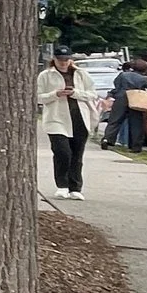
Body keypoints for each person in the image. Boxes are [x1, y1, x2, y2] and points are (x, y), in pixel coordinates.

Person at [37, 48, 97, 197]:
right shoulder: (46, 75)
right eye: (60, 60)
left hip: (79, 117)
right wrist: (55, 94)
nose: (63, 63)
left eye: (66, 60)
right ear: (54, 60)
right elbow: (38, 96)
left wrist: (75, 93)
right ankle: (62, 185)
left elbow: (92, 94)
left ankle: (75, 188)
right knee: (62, 152)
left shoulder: (81, 74)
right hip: (56, 118)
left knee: (77, 155)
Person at [107, 55, 147, 150]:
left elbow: (116, 84)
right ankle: (136, 146)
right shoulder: (143, 79)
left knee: (114, 120)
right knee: (136, 123)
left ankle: (108, 140)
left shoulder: (123, 75)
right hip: (136, 99)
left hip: (121, 97)